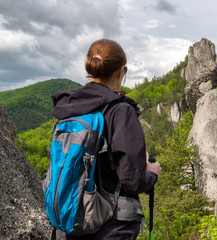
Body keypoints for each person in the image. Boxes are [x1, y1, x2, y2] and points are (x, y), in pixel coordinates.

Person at [52, 38, 161, 240]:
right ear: (121, 72)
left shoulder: (70, 107)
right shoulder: (120, 111)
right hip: (111, 225)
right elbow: (132, 181)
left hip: (75, 217)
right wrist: (152, 174)